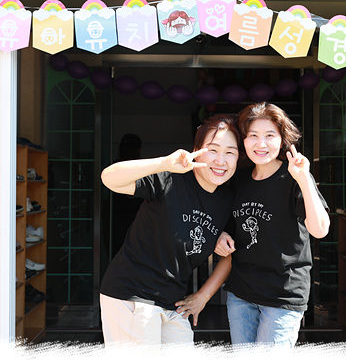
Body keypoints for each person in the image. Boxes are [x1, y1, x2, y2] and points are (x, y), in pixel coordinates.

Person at [99, 115, 240, 346]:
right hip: (132, 296)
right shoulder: (170, 180)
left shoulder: (228, 199)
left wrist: (203, 296)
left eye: (230, 152)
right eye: (213, 150)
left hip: (173, 303)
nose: (221, 160)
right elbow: (109, 178)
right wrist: (164, 163)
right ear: (196, 151)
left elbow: (233, 254)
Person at [215, 102, 330, 348]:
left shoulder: (294, 177)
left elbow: (320, 230)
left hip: (283, 295)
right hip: (241, 293)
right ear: (243, 141)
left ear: (282, 139)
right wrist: (220, 235)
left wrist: (304, 180)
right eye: (253, 136)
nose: (261, 144)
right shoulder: (239, 179)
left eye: (269, 135)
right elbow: (227, 225)